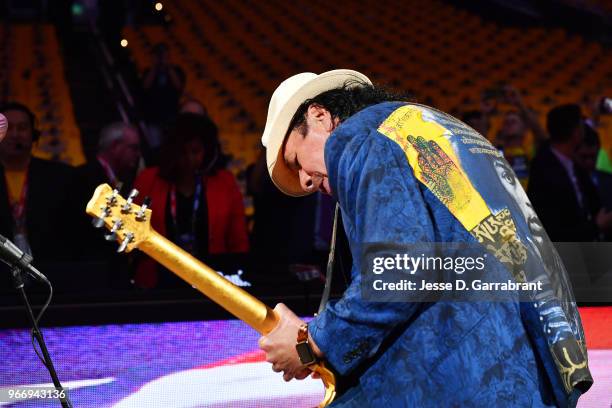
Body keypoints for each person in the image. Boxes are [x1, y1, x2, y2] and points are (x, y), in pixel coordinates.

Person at [257, 70, 592, 406]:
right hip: (529, 370)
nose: (304, 182)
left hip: (460, 379)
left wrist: (312, 344)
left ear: (319, 115)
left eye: (295, 160)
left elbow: (400, 271)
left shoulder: (358, 137)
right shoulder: (441, 127)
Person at [133, 113, 249, 288]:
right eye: (182, 152)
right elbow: (135, 236)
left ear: (207, 151)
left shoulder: (225, 182)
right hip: (159, 284)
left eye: (195, 151)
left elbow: (238, 242)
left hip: (214, 281)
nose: (188, 159)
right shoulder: (148, 180)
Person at [0, 102, 78, 289]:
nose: (15, 134)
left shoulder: (62, 177)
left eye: (23, 128)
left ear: (34, 135)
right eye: (7, 128)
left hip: (52, 278)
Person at [528, 104, 612, 242]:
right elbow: (557, 229)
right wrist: (596, 226)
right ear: (576, 132)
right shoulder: (545, 170)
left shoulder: (571, 164)